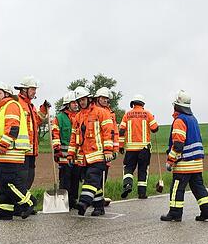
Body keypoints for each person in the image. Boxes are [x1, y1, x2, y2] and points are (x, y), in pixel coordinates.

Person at [160, 90, 208, 222]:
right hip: (197, 164)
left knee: (177, 189)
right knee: (199, 188)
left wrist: (170, 161)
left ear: (177, 105)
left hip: (184, 164)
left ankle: (175, 214)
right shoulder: (193, 119)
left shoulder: (180, 120)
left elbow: (178, 145)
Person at [0, 83, 31, 220]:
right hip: (1, 153)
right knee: (3, 183)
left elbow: (13, 127)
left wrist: (4, 143)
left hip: (9, 151)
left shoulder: (11, 105)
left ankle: (28, 202)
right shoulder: (2, 108)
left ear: (7, 93)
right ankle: (5, 210)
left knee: (9, 182)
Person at [68, 88, 115, 216]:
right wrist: (71, 154)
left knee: (91, 179)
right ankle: (99, 207)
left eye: (83, 100)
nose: (81, 103)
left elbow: (108, 133)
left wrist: (108, 151)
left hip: (98, 155)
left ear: (89, 99)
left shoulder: (101, 113)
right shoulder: (78, 117)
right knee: (94, 184)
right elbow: (73, 137)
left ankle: (83, 202)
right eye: (79, 101)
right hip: (83, 157)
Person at [14, 76, 49, 215]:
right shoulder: (17, 104)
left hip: (31, 149)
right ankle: (19, 206)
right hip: (22, 149)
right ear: (24, 90)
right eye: (33, 89)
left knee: (29, 177)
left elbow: (37, 121)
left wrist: (44, 109)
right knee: (22, 179)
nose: (35, 92)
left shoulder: (30, 105)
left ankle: (24, 203)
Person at [119, 94, 159, 199]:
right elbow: (155, 128)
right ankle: (142, 193)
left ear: (133, 104)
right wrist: (152, 120)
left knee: (128, 168)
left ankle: (127, 184)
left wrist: (121, 146)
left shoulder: (127, 115)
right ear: (142, 104)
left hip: (131, 149)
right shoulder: (148, 114)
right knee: (143, 170)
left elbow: (121, 130)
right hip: (144, 149)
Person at [51, 91, 79, 209]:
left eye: (76, 102)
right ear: (67, 104)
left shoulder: (80, 116)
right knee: (65, 179)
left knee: (76, 179)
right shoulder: (60, 118)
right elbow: (55, 134)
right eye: (73, 103)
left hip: (77, 155)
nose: (76, 105)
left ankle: (73, 201)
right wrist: (57, 149)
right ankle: (64, 202)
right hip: (63, 154)